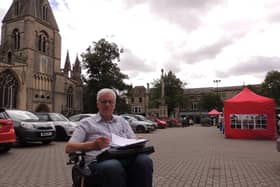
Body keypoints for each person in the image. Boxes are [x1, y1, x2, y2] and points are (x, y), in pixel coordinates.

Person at [65, 88, 153, 187]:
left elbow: (132, 141)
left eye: (110, 102)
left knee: (144, 161)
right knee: (113, 166)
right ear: (98, 104)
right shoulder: (86, 123)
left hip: (125, 158)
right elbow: (69, 147)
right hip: (98, 162)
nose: (107, 104)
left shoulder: (122, 121)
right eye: (104, 101)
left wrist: (138, 142)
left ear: (114, 105)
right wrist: (92, 145)